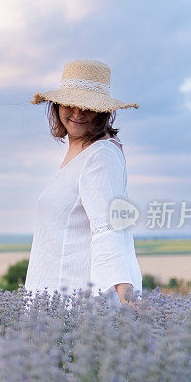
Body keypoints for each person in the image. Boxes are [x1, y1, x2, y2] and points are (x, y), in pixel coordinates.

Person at [24, 59, 143, 309]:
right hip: (56, 299)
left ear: (103, 112)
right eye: (71, 103)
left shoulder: (100, 156)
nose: (78, 113)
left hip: (75, 307)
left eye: (88, 106)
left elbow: (108, 227)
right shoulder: (82, 151)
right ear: (57, 105)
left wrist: (128, 300)